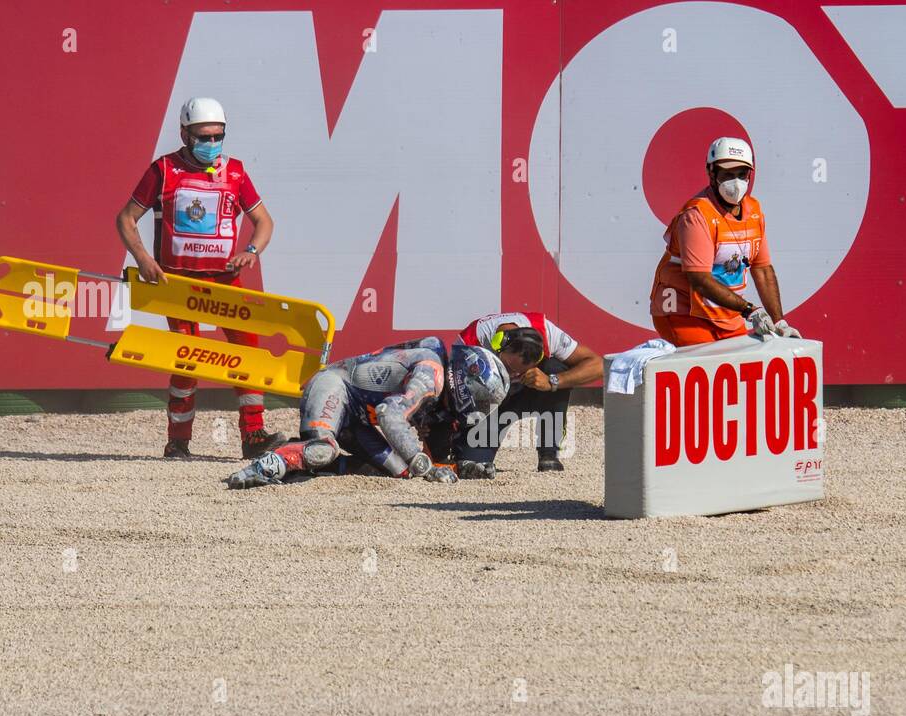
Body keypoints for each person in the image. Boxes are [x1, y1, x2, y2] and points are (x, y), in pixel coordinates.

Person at [116, 96, 287, 460]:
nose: (211, 144)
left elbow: (265, 222)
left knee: (248, 356)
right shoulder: (162, 171)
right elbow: (126, 219)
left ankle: (253, 438)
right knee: (186, 360)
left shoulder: (236, 173)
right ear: (184, 133)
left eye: (217, 136)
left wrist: (251, 252)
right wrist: (143, 258)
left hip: (225, 283)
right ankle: (178, 442)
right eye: (203, 136)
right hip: (176, 285)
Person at [224, 338, 509, 489]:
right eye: (481, 399)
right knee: (323, 450)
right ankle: (259, 468)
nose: (478, 408)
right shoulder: (430, 374)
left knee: (401, 471)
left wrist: (459, 468)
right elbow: (388, 414)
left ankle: (293, 461)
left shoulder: (439, 385)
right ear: (465, 379)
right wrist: (426, 466)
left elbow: (423, 459)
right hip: (334, 387)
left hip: (357, 416)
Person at [649, 136, 797, 346]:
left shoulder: (754, 211)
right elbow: (699, 279)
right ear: (711, 172)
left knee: (739, 369)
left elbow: (762, 270)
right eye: (727, 174)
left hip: (726, 314)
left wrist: (779, 321)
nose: (735, 183)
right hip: (684, 314)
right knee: (704, 370)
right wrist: (749, 310)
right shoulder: (696, 215)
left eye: (742, 174)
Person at [449, 311, 603, 478]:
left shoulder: (546, 331)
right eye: (509, 367)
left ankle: (548, 453)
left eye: (520, 372)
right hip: (488, 407)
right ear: (497, 345)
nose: (513, 375)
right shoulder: (471, 343)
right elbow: (453, 398)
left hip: (528, 391)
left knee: (556, 369)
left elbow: (598, 365)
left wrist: (552, 381)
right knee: (473, 466)